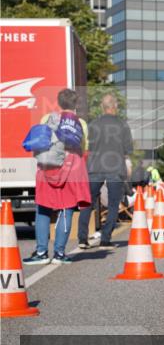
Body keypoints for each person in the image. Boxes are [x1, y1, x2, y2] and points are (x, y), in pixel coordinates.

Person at [24, 88, 91, 265]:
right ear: (76, 104)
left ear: (58, 102)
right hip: (71, 169)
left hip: (48, 169)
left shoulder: (47, 119)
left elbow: (40, 142)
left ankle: (41, 252)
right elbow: (84, 149)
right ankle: (59, 253)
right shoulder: (81, 124)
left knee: (43, 209)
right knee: (66, 210)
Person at [76, 93, 132, 249]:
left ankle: (82, 239)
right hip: (115, 167)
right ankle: (105, 240)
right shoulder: (122, 125)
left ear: (102, 107)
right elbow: (128, 149)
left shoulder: (93, 124)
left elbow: (89, 146)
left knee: (88, 202)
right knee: (114, 204)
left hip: (94, 167)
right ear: (116, 107)